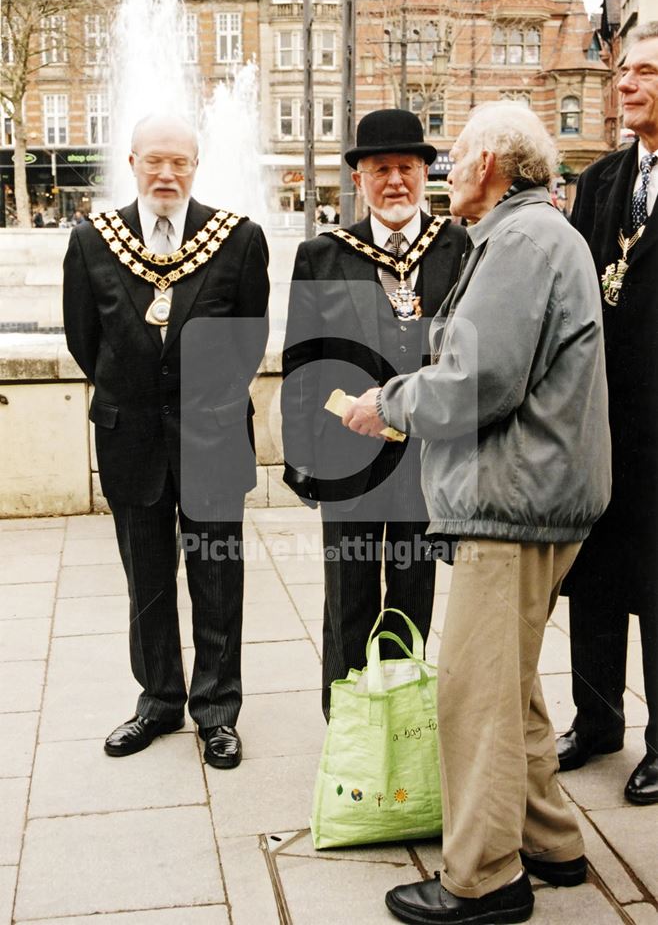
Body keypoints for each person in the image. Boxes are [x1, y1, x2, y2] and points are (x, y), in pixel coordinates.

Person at [345, 101, 611, 924]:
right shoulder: (528, 234)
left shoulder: (521, 241)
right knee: (512, 684)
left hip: (512, 500)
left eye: (455, 156)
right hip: (529, 492)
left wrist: (384, 405)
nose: (447, 171)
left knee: (474, 693)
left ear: (491, 161)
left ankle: (484, 877)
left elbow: (476, 382)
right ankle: (551, 840)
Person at [63, 114, 269, 769]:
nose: (167, 174)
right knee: (146, 580)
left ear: (196, 167)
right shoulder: (93, 240)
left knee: (217, 579)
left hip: (212, 438)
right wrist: (137, 396)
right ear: (131, 163)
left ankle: (217, 712)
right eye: (155, 161)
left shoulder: (237, 240)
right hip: (132, 441)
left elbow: (248, 341)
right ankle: (157, 699)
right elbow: (82, 341)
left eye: (180, 162)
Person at [281, 108, 466, 720]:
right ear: (358, 178)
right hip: (346, 459)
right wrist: (302, 459)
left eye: (407, 168)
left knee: (414, 593)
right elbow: (301, 361)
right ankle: (350, 728)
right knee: (349, 598)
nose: (395, 181)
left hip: (429, 461)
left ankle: (406, 724)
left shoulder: (459, 248)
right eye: (381, 168)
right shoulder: (323, 254)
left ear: (425, 174)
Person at [556, 21, 658, 804]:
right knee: (590, 576)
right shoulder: (598, 183)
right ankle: (595, 722)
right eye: (623, 70)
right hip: (599, 425)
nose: (625, 84)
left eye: (646, 72)